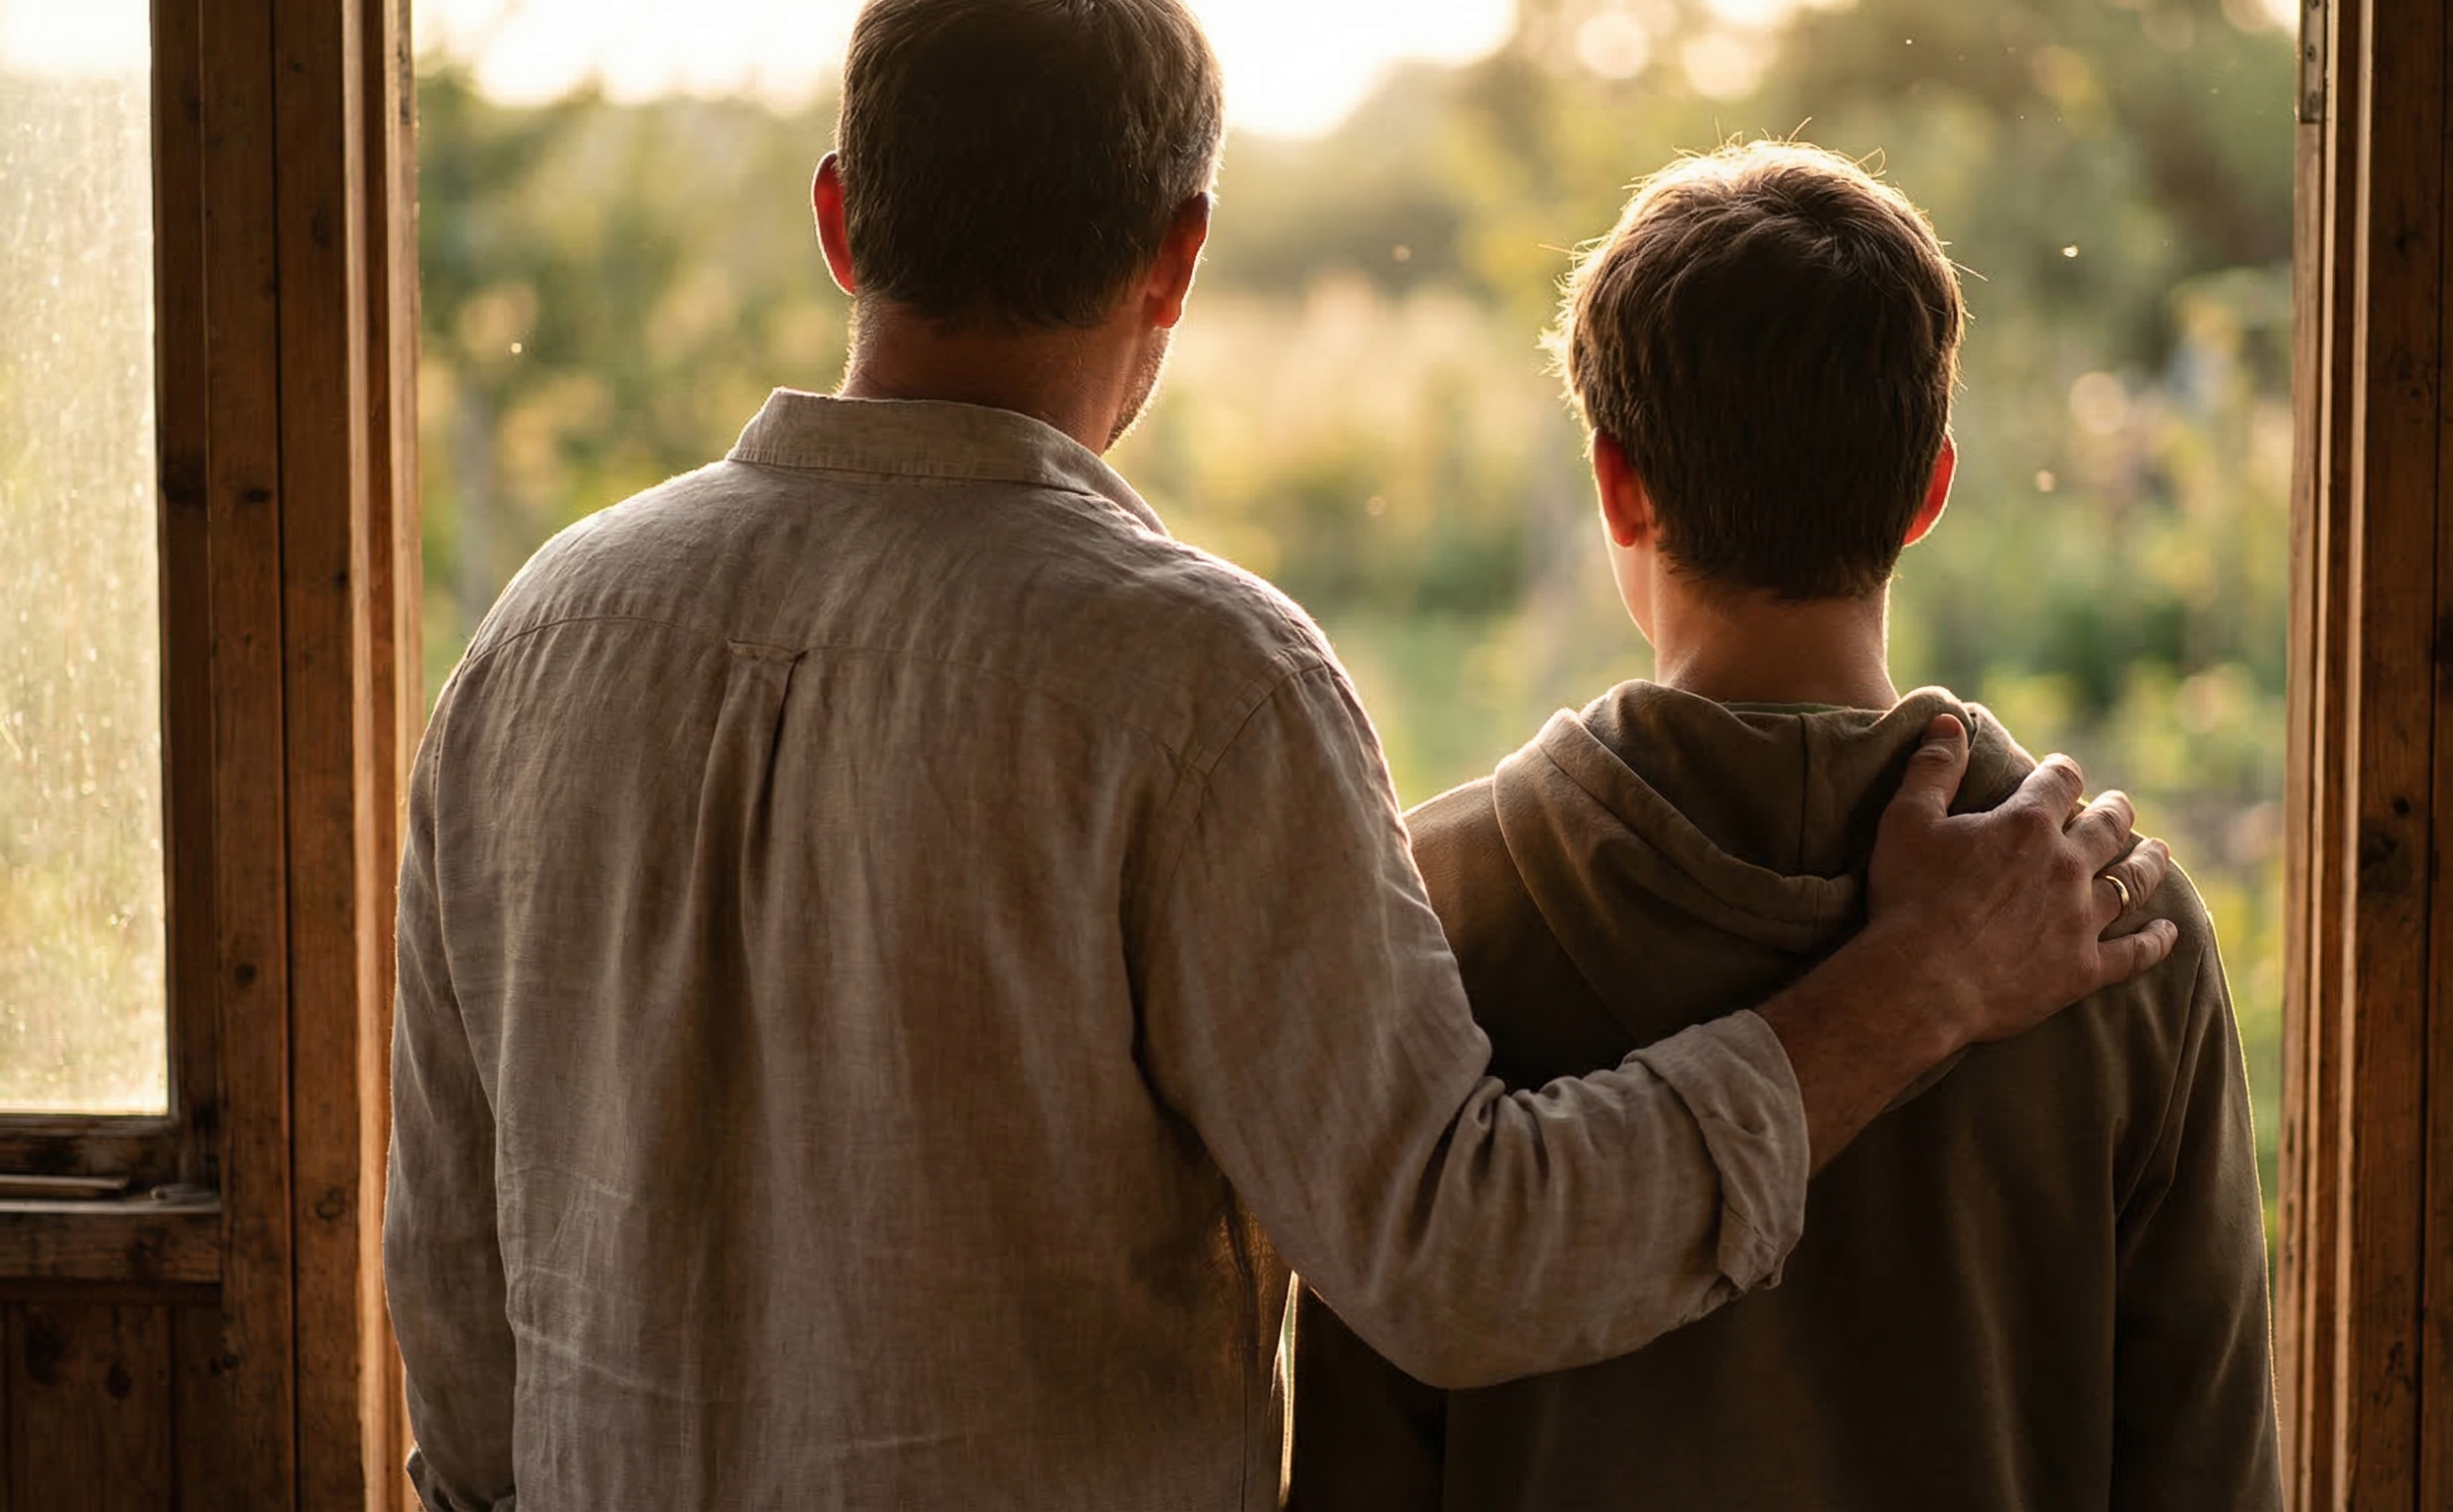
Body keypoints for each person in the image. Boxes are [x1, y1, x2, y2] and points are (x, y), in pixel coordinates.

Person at [380, 7, 2179, 1509]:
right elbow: (1457, 1255)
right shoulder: (1192, 689)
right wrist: (1912, 987)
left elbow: (458, 1327)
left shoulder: (534, 647)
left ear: (843, 223)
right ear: (1179, 256)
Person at [1290, 141, 2282, 1511]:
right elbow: (2205, 1468)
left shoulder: (1439, 902)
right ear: (1930, 489)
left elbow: (1357, 1460)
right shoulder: (2118, 927)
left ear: (1616, 485)